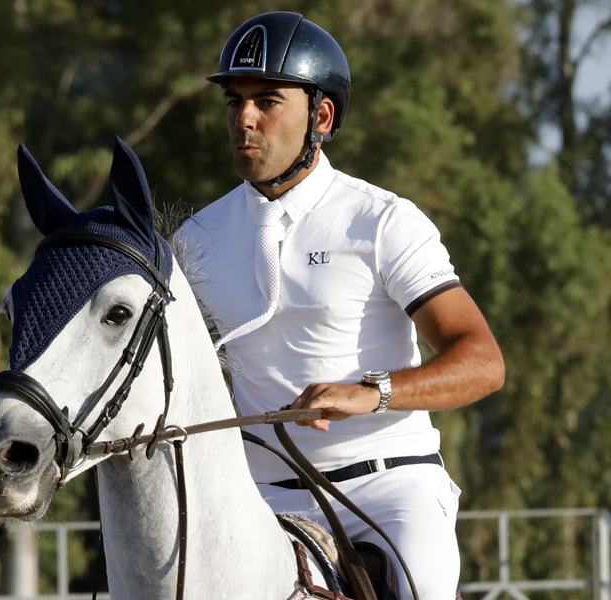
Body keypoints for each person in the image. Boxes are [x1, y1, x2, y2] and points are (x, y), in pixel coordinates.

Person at [176, 11, 505, 600]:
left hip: (387, 486)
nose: (243, 119)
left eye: (267, 101)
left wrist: (370, 392)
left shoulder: (382, 221)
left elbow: (482, 361)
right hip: (259, 496)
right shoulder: (195, 240)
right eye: (234, 101)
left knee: (423, 586)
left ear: (320, 117)